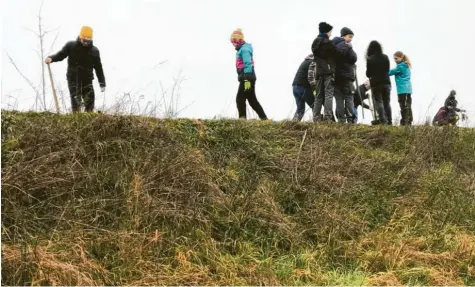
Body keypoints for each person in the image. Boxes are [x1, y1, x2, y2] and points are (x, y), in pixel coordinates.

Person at [45, 26, 106, 112]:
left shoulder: (94, 51)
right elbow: (61, 55)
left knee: (90, 103)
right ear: (80, 37)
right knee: (76, 103)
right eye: (84, 40)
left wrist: (102, 82)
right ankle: (76, 121)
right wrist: (51, 58)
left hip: (87, 81)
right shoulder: (71, 46)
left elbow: (98, 68)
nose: (85, 43)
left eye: (88, 41)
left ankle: (88, 122)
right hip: (73, 79)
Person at [230, 28, 268, 120]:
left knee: (240, 99)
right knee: (252, 100)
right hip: (247, 77)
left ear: (238, 40)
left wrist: (246, 79)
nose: (232, 44)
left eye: (233, 42)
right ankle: (264, 119)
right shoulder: (242, 49)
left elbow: (248, 64)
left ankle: (242, 120)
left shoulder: (244, 50)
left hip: (247, 77)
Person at [311, 22, 344, 122]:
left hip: (319, 72)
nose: (331, 34)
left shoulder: (315, 42)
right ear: (327, 31)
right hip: (329, 71)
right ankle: (328, 117)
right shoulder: (328, 43)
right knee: (328, 94)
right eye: (330, 32)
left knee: (318, 96)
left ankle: (316, 117)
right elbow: (339, 53)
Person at [331, 27, 358, 123]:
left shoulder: (333, 46)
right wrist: (350, 47)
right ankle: (350, 120)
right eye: (349, 36)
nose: (350, 39)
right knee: (349, 97)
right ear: (343, 36)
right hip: (347, 77)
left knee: (339, 99)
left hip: (336, 77)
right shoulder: (347, 45)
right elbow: (354, 58)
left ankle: (341, 120)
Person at [365, 40, 392, 125]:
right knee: (387, 102)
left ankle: (383, 120)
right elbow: (387, 69)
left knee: (379, 102)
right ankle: (389, 121)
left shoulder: (369, 59)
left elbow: (368, 74)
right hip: (386, 82)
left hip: (376, 83)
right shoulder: (385, 57)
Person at [389, 51, 413, 126]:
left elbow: (390, 72)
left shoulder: (400, 67)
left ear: (401, 57)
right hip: (408, 89)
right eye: (394, 59)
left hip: (402, 90)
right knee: (408, 105)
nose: (395, 60)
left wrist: (381, 72)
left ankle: (404, 121)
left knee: (403, 105)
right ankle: (409, 121)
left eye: (396, 58)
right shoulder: (406, 66)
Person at [291, 54, 316, 121]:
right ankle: (317, 123)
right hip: (303, 87)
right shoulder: (312, 63)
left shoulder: (305, 61)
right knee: (315, 105)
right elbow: (312, 77)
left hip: (295, 87)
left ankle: (294, 124)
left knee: (300, 108)